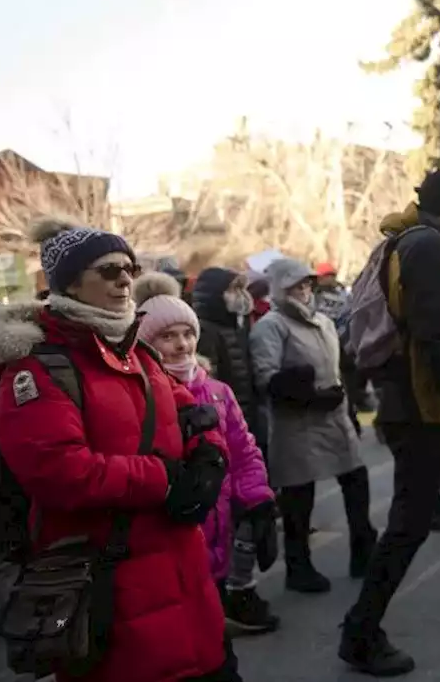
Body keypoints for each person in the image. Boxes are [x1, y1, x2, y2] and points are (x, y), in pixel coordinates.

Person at [0, 219, 237, 681]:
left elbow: (193, 414)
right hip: (108, 586)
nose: (125, 279)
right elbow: (61, 472)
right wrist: (166, 479)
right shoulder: (37, 369)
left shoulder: (137, 351)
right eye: (109, 269)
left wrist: (209, 456)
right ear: (70, 283)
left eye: (130, 268)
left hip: (185, 575)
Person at [341, 171, 440, 676]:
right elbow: (434, 338)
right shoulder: (428, 247)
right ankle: (360, 634)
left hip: (437, 412)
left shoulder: (416, 242)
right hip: (426, 413)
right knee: (410, 528)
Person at [135, 271, 281, 635]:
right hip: (177, 534)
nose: (181, 345)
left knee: (212, 636)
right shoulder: (144, 396)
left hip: (221, 527)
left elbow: (243, 450)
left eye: (187, 334)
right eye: (167, 337)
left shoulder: (216, 390)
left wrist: (257, 499)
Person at [249, 258, 376, 594]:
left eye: (306, 284)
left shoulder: (323, 321)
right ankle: (298, 566)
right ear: (279, 289)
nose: (303, 290)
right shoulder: (270, 326)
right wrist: (305, 394)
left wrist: (345, 400)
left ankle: (364, 550)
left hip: (334, 416)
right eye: (294, 286)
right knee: (298, 497)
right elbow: (266, 377)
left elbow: (336, 368)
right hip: (297, 423)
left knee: (356, 479)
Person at [192, 267, 268, 471]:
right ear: (215, 294)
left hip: (247, 417)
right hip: (226, 422)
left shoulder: (238, 326)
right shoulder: (204, 330)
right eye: (234, 289)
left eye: (242, 288)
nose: (242, 295)